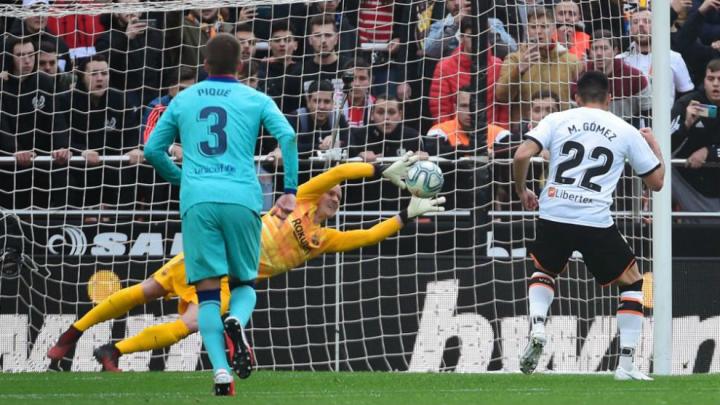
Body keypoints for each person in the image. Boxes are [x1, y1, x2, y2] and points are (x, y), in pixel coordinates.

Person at [47, 160, 444, 372]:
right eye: (332, 193)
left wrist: (405, 215)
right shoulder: (302, 199)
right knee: (147, 291)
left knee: (188, 323)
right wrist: (378, 171)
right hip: (215, 249)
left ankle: (112, 350)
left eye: (339, 198)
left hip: (228, 276)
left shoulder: (323, 240)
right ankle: (74, 332)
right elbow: (339, 171)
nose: (335, 197)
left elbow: (369, 235)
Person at [143, 33, 299, 396]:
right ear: (241, 65)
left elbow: (152, 150)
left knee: (208, 294)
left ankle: (221, 373)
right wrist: (289, 190)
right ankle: (237, 320)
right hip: (242, 197)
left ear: (205, 65)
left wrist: (183, 180)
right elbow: (288, 136)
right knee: (244, 284)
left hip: (198, 200)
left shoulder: (183, 99)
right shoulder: (256, 98)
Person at [512, 71, 664, 380]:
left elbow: (521, 154)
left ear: (576, 97)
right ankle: (625, 366)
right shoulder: (625, 129)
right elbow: (657, 182)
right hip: (594, 219)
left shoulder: (557, 119)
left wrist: (522, 189)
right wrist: (654, 145)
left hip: (554, 213)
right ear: (610, 98)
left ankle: (538, 325)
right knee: (632, 283)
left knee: (544, 270)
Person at [495, 6, 582, 126]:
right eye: (533, 27)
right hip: (525, 129)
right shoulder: (514, 59)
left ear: (553, 29)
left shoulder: (571, 61)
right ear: (527, 30)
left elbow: (580, 100)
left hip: (561, 128)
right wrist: (519, 70)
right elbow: (501, 97)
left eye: (544, 26)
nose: (538, 31)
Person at [670, 58, 720, 215]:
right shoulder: (686, 104)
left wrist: (709, 152)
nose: (716, 84)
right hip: (688, 178)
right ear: (704, 81)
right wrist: (686, 125)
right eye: (711, 79)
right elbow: (665, 146)